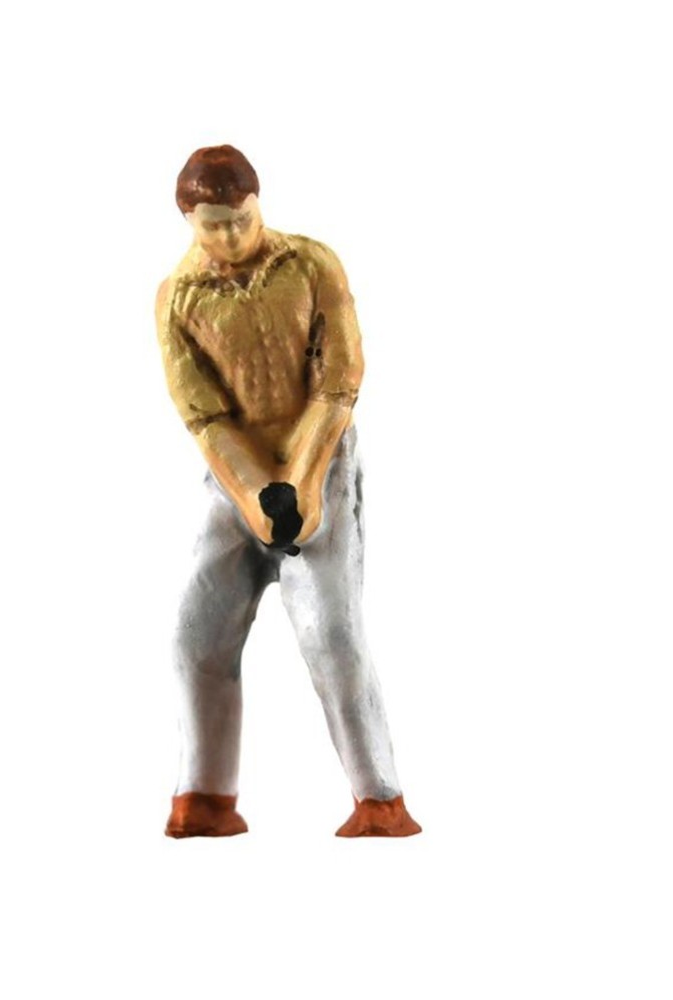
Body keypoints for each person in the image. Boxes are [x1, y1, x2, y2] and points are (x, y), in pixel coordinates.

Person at [155, 145, 421, 838]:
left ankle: (379, 798)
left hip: (317, 459)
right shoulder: (178, 298)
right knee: (196, 632)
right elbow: (205, 416)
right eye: (212, 226)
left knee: (331, 632)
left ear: (257, 204)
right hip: (234, 475)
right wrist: (252, 494)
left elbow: (338, 384)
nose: (229, 237)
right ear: (189, 221)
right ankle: (205, 794)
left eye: (239, 220)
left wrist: (301, 484)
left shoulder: (310, 266)